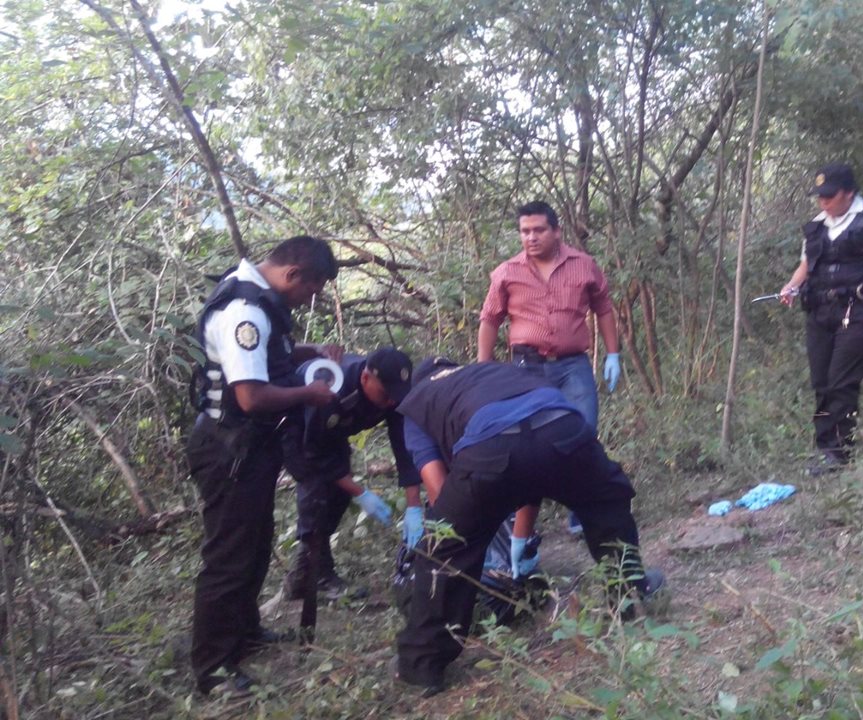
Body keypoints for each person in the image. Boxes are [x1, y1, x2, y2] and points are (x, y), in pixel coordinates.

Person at [391, 358, 664, 696]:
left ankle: (422, 665)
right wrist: (519, 537)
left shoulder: (419, 402)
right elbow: (532, 462)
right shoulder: (492, 372)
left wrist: (465, 527)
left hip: (491, 446)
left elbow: (438, 489)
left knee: (444, 550)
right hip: (563, 426)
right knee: (607, 502)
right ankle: (629, 594)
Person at [185, 235, 340, 695]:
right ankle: (214, 669)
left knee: (254, 543)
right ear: (293, 274)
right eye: (310, 290)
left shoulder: (256, 297)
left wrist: (310, 351)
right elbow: (251, 395)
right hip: (230, 447)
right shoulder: (245, 312)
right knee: (229, 555)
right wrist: (309, 393)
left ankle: (244, 632)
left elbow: (268, 355)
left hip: (250, 446)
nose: (309, 300)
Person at [478, 200, 622, 536]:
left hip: (573, 367)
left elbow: (603, 308)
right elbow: (490, 319)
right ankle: (521, 525)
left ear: (556, 231)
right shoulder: (507, 273)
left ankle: (580, 512)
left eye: (539, 230)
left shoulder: (583, 266)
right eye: (525, 231)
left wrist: (612, 354)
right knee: (526, 444)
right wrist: (483, 371)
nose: (531, 237)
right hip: (526, 369)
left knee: (582, 435)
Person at [778, 163, 863, 475]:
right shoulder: (816, 226)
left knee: (841, 380)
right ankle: (825, 448)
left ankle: (838, 452)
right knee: (821, 381)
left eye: (830, 196)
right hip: (821, 312)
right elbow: (807, 265)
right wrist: (791, 286)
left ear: (848, 193)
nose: (823, 202)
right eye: (819, 196)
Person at [280, 348, 423, 603]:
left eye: (396, 396)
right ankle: (315, 577)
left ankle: (304, 574)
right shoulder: (332, 387)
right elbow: (314, 453)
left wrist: (414, 505)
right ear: (366, 378)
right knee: (317, 495)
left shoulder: (392, 394)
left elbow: (404, 445)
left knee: (338, 497)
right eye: (386, 394)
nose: (391, 402)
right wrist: (361, 492)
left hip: (333, 435)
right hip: (298, 433)